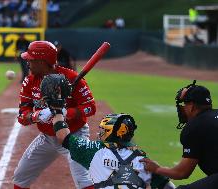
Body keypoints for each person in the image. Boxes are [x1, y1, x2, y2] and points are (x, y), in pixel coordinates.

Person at [39, 74, 176, 189]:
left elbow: (63, 137)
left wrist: (57, 110)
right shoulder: (143, 160)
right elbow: (169, 187)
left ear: (112, 133)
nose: (100, 134)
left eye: (104, 130)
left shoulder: (93, 151)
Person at [13, 41, 96, 189]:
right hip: (47, 138)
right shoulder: (29, 81)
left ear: (41, 62)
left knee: (83, 179)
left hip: (74, 136)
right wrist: (36, 116)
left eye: (31, 60)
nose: (28, 63)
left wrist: (65, 112)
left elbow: (90, 107)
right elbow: (22, 116)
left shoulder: (72, 78)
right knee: (21, 176)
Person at [140, 80, 218, 189]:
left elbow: (182, 173)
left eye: (184, 104)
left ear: (191, 106)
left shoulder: (195, 126)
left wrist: (157, 169)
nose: (182, 108)